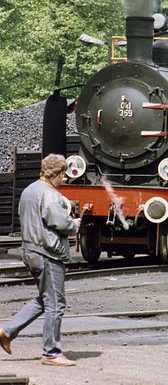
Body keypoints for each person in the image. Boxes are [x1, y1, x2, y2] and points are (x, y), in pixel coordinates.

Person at [0, 154, 81, 366]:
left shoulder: (29, 190)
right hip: (47, 253)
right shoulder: (50, 195)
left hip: (30, 250)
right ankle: (51, 353)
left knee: (46, 299)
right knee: (56, 304)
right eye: (64, 175)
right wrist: (75, 224)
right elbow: (60, 223)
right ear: (59, 173)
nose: (64, 179)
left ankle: (7, 332)